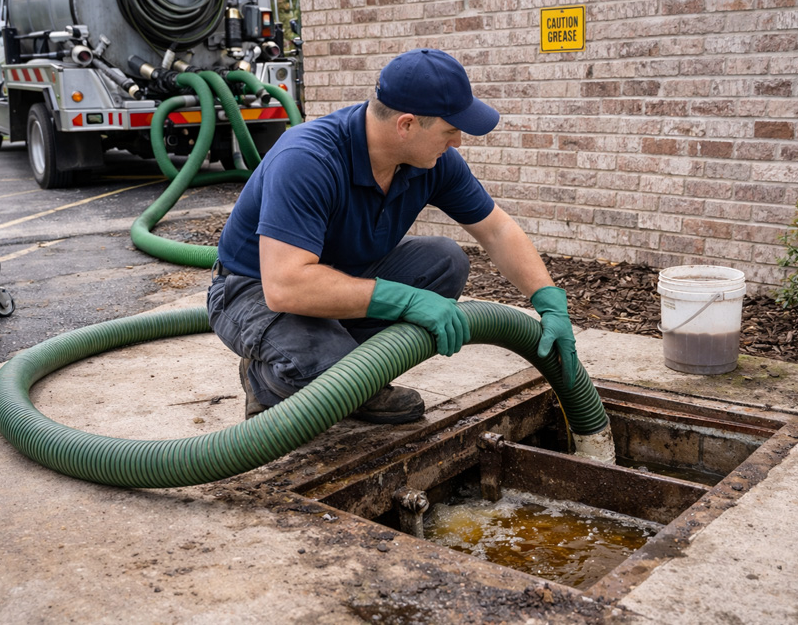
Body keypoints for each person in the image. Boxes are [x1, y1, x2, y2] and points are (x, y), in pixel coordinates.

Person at [208, 48, 578, 424]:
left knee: (444, 261)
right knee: (334, 378)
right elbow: (285, 286)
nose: (458, 143)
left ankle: (353, 374)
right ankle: (271, 377)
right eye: (451, 131)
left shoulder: (433, 162)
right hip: (252, 291)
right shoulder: (308, 159)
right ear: (406, 125)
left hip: (337, 275)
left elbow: (497, 229)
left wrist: (547, 299)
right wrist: (403, 300)